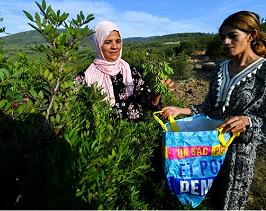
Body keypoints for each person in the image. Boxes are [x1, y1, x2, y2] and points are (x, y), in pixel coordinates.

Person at [161, 11, 266, 210]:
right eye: (223, 37)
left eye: (232, 36)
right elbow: (208, 108)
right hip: (207, 153)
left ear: (251, 35)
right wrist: (180, 110)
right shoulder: (219, 69)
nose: (226, 42)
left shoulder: (263, 72)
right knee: (209, 200)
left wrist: (248, 121)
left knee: (229, 204)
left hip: (238, 157)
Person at [74, 21, 174, 122]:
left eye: (118, 41)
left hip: (133, 136)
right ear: (98, 44)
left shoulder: (130, 72)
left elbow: (148, 103)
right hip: (100, 136)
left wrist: (156, 93)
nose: (115, 46)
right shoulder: (85, 77)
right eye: (108, 42)